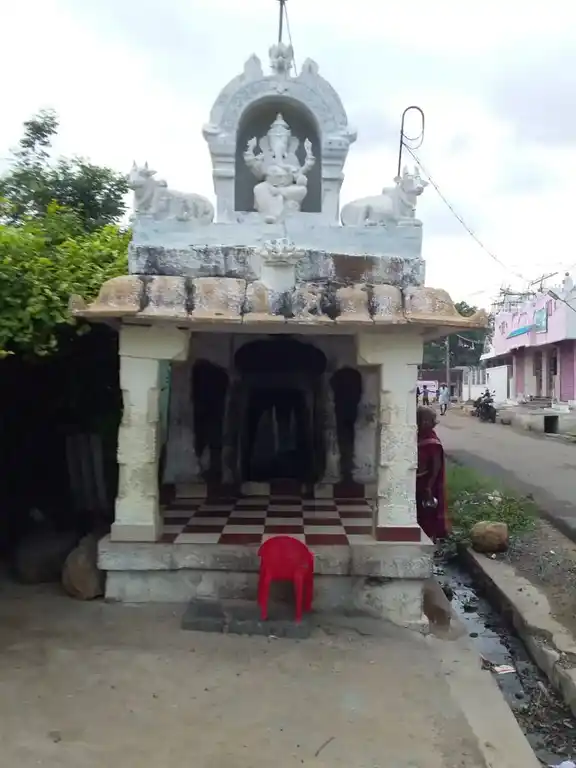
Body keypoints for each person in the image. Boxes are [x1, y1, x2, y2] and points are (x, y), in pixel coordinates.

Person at [416, 405, 449, 541]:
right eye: (422, 420)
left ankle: (429, 541)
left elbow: (436, 467)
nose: (425, 423)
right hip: (415, 481)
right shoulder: (416, 436)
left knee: (427, 516)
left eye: (428, 421)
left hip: (426, 484)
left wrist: (429, 487)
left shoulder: (433, 442)